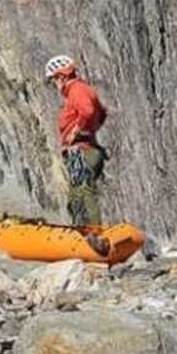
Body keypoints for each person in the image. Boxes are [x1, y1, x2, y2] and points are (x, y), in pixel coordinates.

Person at [45, 55, 109, 227]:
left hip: (82, 151)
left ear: (62, 77)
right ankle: (82, 231)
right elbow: (101, 113)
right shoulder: (84, 90)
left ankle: (93, 233)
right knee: (77, 195)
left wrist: (77, 131)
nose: (54, 86)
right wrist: (90, 131)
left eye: (53, 81)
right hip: (89, 150)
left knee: (83, 193)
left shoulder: (76, 90)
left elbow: (88, 112)